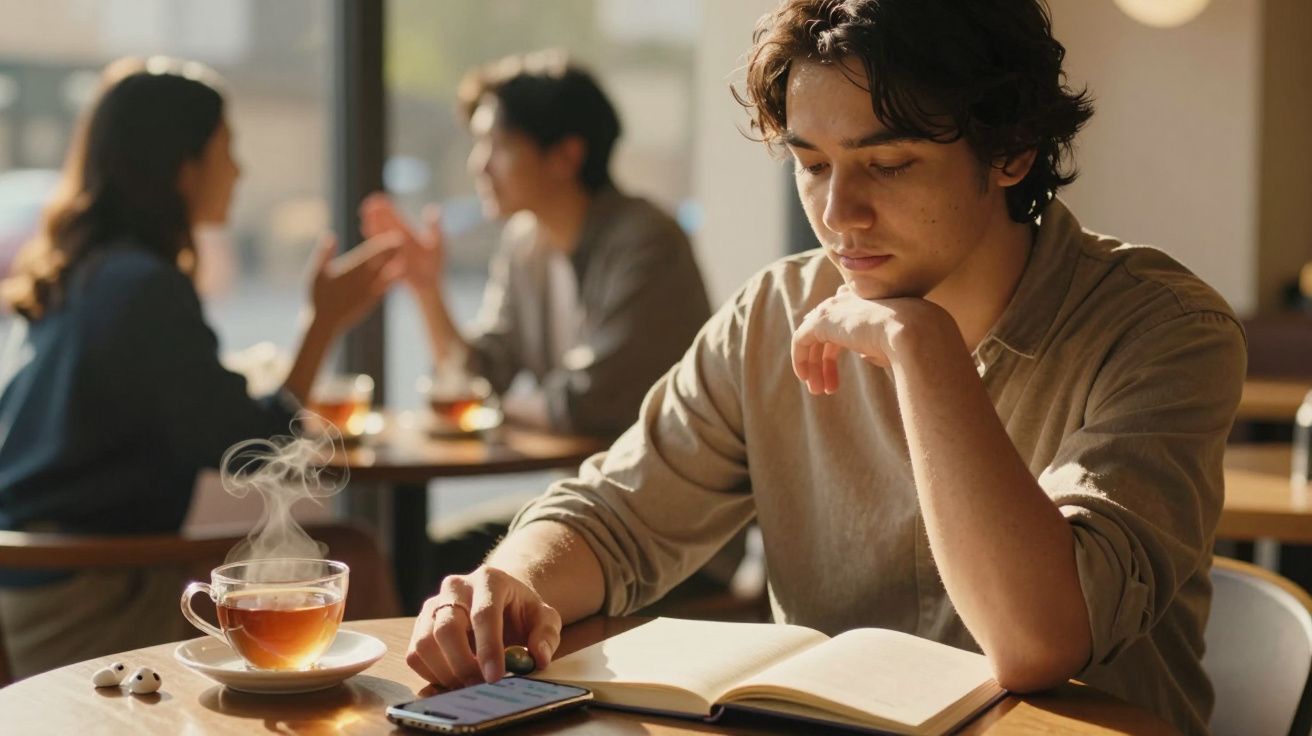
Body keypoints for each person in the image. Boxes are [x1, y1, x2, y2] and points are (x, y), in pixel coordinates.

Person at [403, 2, 1246, 734]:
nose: (838, 216)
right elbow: (613, 514)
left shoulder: (1165, 331)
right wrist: (507, 585)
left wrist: (922, 352)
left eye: (887, 164)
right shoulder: (773, 313)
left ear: (1012, 152)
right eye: (811, 165)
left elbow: (1037, 642)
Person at [0, 57, 401, 678]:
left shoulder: (84, 271)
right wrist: (322, 323)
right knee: (355, 557)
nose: (238, 170)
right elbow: (261, 450)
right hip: (94, 600)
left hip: (37, 586)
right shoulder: (142, 288)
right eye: (227, 149)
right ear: (182, 168)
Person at [361, 52, 716, 581]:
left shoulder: (646, 241)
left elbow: (581, 403)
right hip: (590, 514)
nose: (478, 163)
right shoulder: (526, 242)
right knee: (421, 563)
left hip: (667, 540)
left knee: (443, 573)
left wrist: (492, 403)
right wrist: (427, 290)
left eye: (498, 145)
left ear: (566, 155)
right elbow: (481, 376)